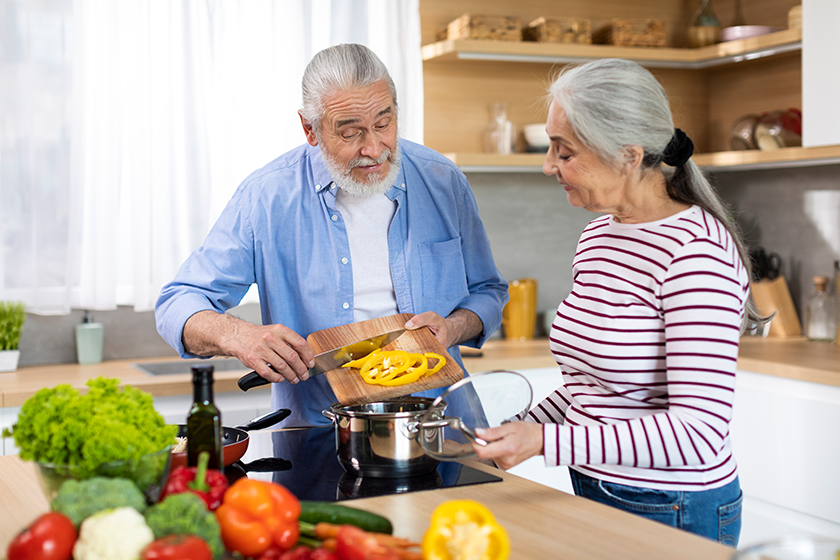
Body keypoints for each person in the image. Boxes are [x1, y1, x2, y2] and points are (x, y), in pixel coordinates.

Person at [472, 58, 763, 547]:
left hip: (672, 506)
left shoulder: (696, 252)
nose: (549, 166)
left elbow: (699, 432)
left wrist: (545, 442)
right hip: (595, 487)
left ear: (628, 155)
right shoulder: (599, 237)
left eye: (564, 153)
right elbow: (594, 389)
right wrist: (519, 428)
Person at [155, 43, 508, 427]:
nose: (373, 149)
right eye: (351, 132)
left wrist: (453, 327)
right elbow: (177, 303)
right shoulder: (266, 197)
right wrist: (238, 335)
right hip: (320, 431)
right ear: (310, 129)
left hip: (443, 423)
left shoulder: (442, 179)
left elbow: (488, 291)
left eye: (383, 124)